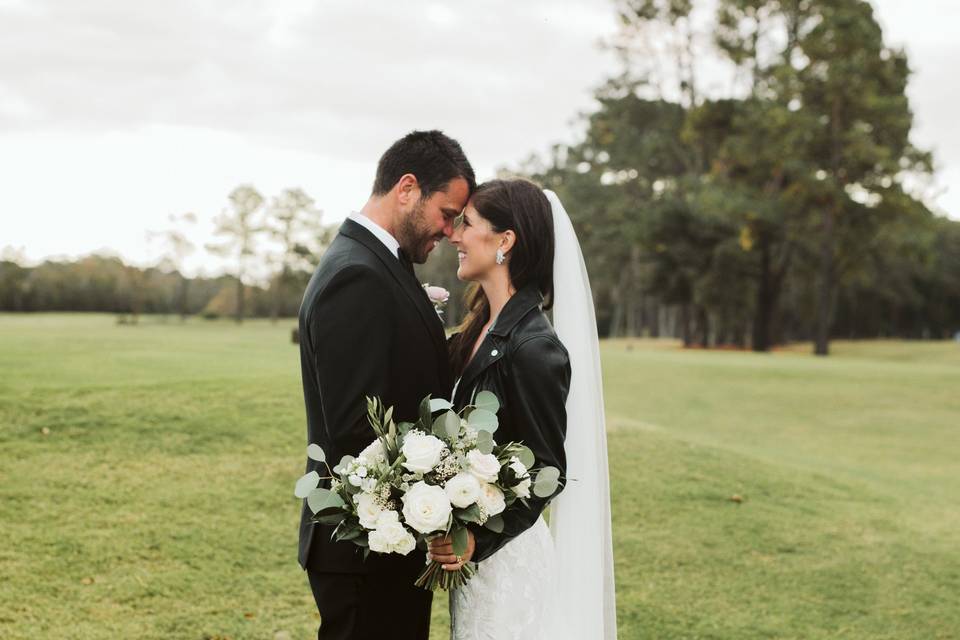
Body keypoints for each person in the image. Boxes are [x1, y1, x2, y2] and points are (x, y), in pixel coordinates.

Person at [297, 130, 474, 640]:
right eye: (446, 212)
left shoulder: (377, 265)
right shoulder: (357, 275)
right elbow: (358, 428)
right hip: (361, 550)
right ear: (407, 188)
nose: (448, 230)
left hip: (384, 543)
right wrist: (443, 477)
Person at [428, 178, 618, 639]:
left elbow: (547, 469)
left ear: (505, 241)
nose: (454, 235)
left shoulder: (535, 347)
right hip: (476, 569)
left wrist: (479, 538)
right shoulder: (480, 329)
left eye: (467, 224)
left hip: (507, 567)